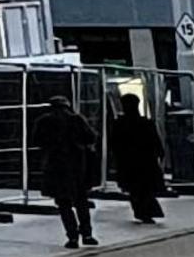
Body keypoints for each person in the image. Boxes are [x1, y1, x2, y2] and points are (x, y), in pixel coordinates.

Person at [34, 92, 101, 247]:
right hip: (78, 167)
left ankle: (72, 236)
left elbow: (37, 140)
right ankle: (87, 234)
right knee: (81, 202)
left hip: (56, 167)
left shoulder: (44, 121)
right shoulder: (77, 119)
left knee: (64, 203)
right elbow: (91, 137)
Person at [108, 92, 171, 226]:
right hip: (146, 162)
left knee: (134, 189)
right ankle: (148, 211)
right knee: (145, 188)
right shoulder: (145, 123)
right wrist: (160, 153)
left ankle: (142, 212)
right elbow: (155, 141)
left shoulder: (120, 124)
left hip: (128, 162)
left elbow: (114, 143)